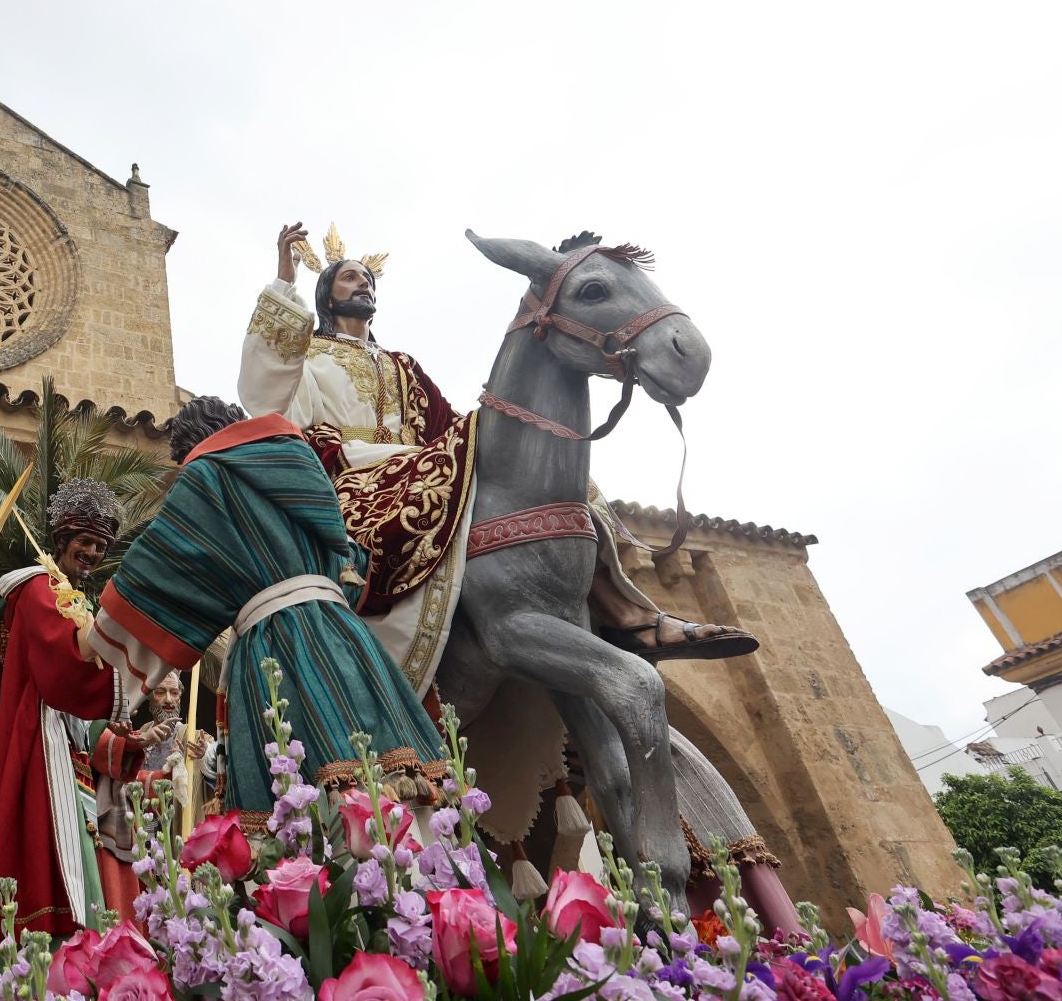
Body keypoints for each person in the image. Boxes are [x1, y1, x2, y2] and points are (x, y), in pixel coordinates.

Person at [239, 220, 757, 697]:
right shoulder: (311, 356)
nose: (364, 283)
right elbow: (270, 397)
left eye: (369, 278)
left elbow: (450, 427)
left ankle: (626, 612)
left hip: (425, 466)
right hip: (353, 474)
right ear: (326, 292)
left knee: (557, 478)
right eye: (350, 277)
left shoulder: (402, 365)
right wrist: (283, 283)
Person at [89, 396, 449, 820]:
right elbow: (347, 560)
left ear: (191, 446)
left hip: (272, 642)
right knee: (391, 772)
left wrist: (90, 636)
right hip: (344, 634)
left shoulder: (203, 476)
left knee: (298, 794)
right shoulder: (297, 457)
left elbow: (157, 575)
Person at [0, 479, 134, 941]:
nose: (91, 552)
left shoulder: (76, 600)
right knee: (38, 851)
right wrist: (119, 634)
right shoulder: (36, 589)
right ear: (62, 542)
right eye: (84, 541)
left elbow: (84, 686)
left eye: (100, 546)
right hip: (38, 738)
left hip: (69, 748)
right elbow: (62, 665)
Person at [89, 670, 211, 925]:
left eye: (174, 693)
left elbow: (212, 761)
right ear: (150, 698)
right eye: (160, 692)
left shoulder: (191, 735)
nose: (168, 699)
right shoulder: (140, 734)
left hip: (176, 837)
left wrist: (203, 755)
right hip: (143, 838)